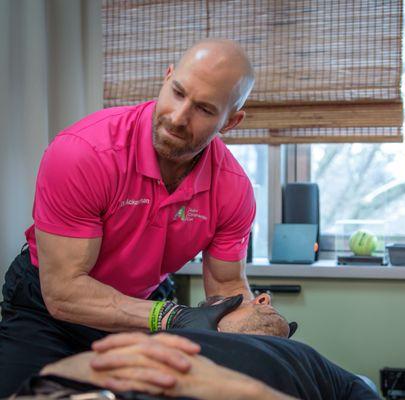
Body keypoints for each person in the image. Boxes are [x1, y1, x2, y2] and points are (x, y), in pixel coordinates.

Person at [0, 38, 261, 396]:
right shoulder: (84, 153)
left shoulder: (233, 188)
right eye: (178, 92)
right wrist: (168, 317)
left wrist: (255, 323)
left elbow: (228, 286)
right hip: (46, 310)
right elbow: (63, 292)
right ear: (167, 77)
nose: (178, 117)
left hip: (141, 303)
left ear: (231, 121)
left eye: (203, 109)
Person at [15, 330, 380, 399]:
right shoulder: (159, 334)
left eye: (267, 304)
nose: (262, 298)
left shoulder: (304, 358)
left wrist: (247, 393)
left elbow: (358, 388)